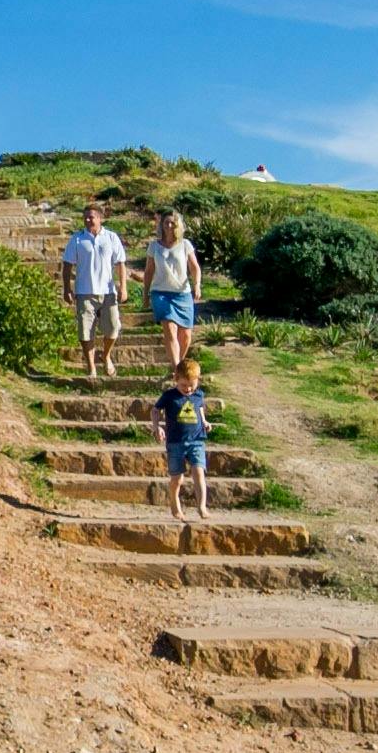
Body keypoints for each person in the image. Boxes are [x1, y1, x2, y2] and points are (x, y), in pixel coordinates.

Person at [60, 202, 132, 379]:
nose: (87, 220)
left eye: (91, 217)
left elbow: (120, 263)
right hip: (84, 291)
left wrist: (123, 286)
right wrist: (67, 288)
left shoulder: (111, 237)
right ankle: (91, 367)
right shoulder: (77, 239)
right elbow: (67, 265)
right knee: (85, 331)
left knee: (113, 328)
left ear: (100, 218)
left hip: (108, 291)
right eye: (85, 217)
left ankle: (106, 356)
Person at [153, 351, 215, 522]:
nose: (188, 389)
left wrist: (204, 421)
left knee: (199, 472)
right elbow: (155, 410)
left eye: (191, 385)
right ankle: (175, 504)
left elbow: (199, 408)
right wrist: (157, 427)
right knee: (177, 478)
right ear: (176, 379)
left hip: (197, 440)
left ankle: (202, 506)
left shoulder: (198, 395)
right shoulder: (169, 396)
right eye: (183, 385)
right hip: (175, 442)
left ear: (198, 381)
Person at [144, 209, 203, 346]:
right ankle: (175, 361)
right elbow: (149, 271)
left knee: (186, 335)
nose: (169, 226)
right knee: (170, 330)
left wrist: (197, 285)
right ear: (162, 224)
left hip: (182, 293)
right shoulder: (154, 246)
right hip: (161, 293)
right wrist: (146, 294)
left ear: (178, 225)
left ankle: (179, 360)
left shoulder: (185, 244)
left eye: (172, 223)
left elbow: (194, 267)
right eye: (166, 223)